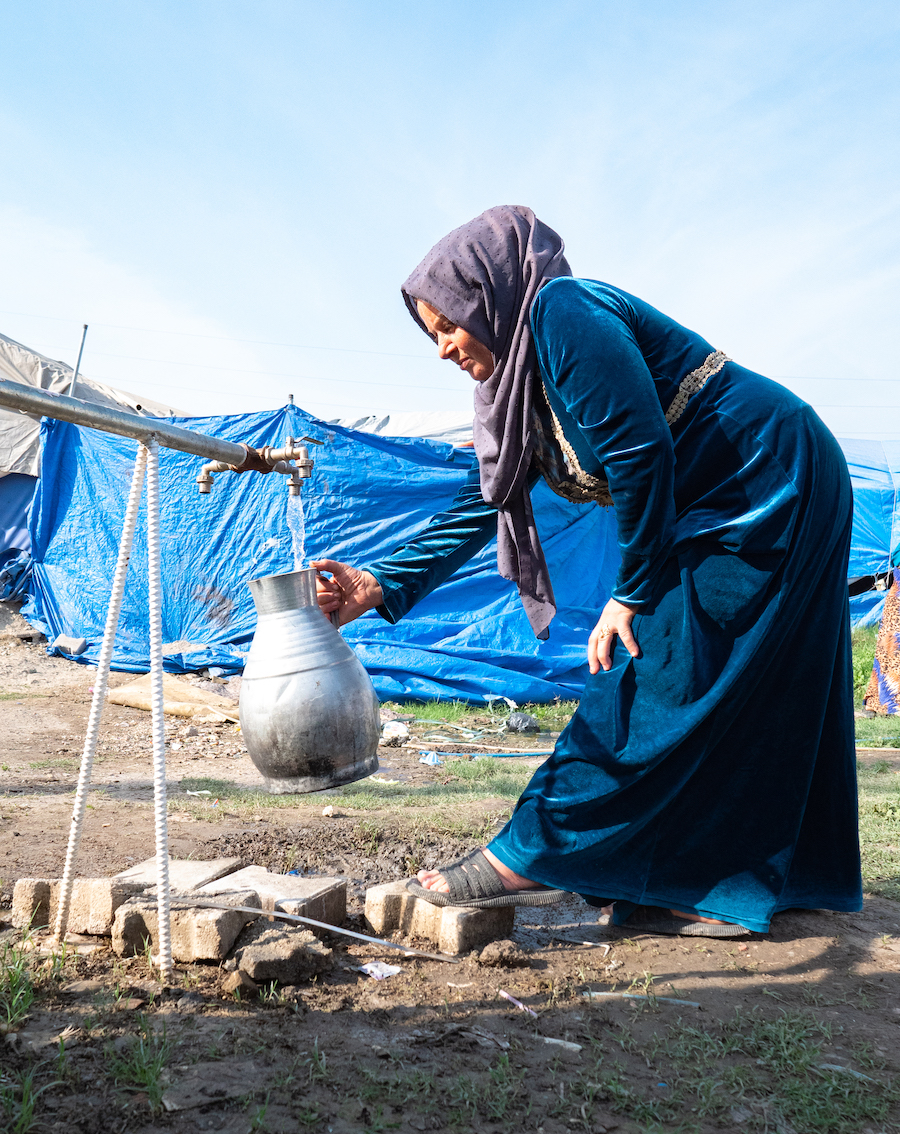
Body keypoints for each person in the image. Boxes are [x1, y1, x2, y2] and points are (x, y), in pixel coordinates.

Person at [313, 205, 862, 937]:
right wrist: (382, 582)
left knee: (655, 665)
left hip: (766, 474)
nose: (442, 347)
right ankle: (716, 877)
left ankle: (534, 854)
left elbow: (640, 454)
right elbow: (488, 500)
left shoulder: (561, 314)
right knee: (732, 684)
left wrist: (633, 591)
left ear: (491, 293)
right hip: (739, 485)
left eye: (448, 324)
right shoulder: (518, 396)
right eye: (430, 334)